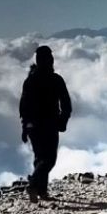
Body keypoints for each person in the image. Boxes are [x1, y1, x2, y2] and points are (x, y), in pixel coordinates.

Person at [19, 45, 72, 201]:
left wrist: (24, 126)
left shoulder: (30, 80)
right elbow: (66, 104)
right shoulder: (55, 80)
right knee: (49, 159)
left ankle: (42, 191)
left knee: (40, 158)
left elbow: (23, 106)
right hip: (49, 124)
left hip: (34, 126)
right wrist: (63, 120)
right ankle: (34, 185)